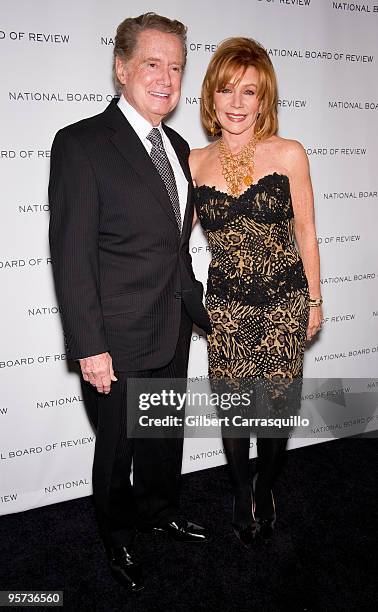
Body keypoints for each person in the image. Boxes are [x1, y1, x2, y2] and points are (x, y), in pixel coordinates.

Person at [49, 12, 211, 592]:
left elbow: (175, 245)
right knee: (116, 451)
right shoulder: (80, 144)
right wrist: (90, 346)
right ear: (121, 68)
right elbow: (71, 257)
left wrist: (199, 308)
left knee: (164, 435)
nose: (166, 78)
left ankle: (160, 510)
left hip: (171, 326)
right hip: (115, 340)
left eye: (175, 66)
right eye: (152, 63)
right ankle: (117, 537)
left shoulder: (179, 144)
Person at [190, 37, 322, 548]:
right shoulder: (195, 161)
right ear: (212, 95)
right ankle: (242, 489)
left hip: (284, 303)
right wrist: (189, 298)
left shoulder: (289, 154)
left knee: (275, 413)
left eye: (250, 92)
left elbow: (307, 231)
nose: (238, 103)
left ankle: (265, 487)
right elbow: (174, 242)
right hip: (226, 308)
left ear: (264, 100)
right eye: (228, 90)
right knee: (234, 412)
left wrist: (315, 299)